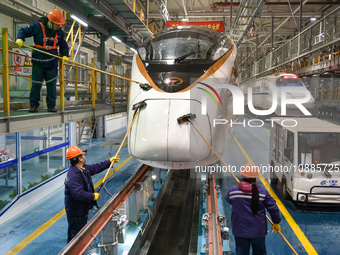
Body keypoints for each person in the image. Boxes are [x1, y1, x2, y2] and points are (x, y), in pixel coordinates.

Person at [16, 9, 69, 113]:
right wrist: (20, 38)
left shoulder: (60, 33)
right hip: (38, 62)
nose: (59, 27)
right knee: (36, 84)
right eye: (57, 25)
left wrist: (65, 55)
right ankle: (34, 105)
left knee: (52, 86)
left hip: (52, 63)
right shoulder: (37, 27)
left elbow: (64, 46)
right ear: (51, 22)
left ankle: (51, 106)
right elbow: (23, 31)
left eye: (59, 25)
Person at [64, 146, 119, 243]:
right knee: (76, 235)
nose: (84, 156)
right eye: (82, 155)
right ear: (80, 158)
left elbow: (95, 167)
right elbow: (78, 194)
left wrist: (109, 161)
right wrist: (93, 196)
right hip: (76, 211)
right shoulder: (73, 175)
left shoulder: (82, 168)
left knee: (79, 231)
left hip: (81, 209)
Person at [225, 163, 281, 255]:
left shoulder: (233, 191)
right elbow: (273, 208)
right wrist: (276, 222)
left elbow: (229, 200)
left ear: (242, 176)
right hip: (258, 232)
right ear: (255, 178)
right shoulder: (263, 192)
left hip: (240, 230)